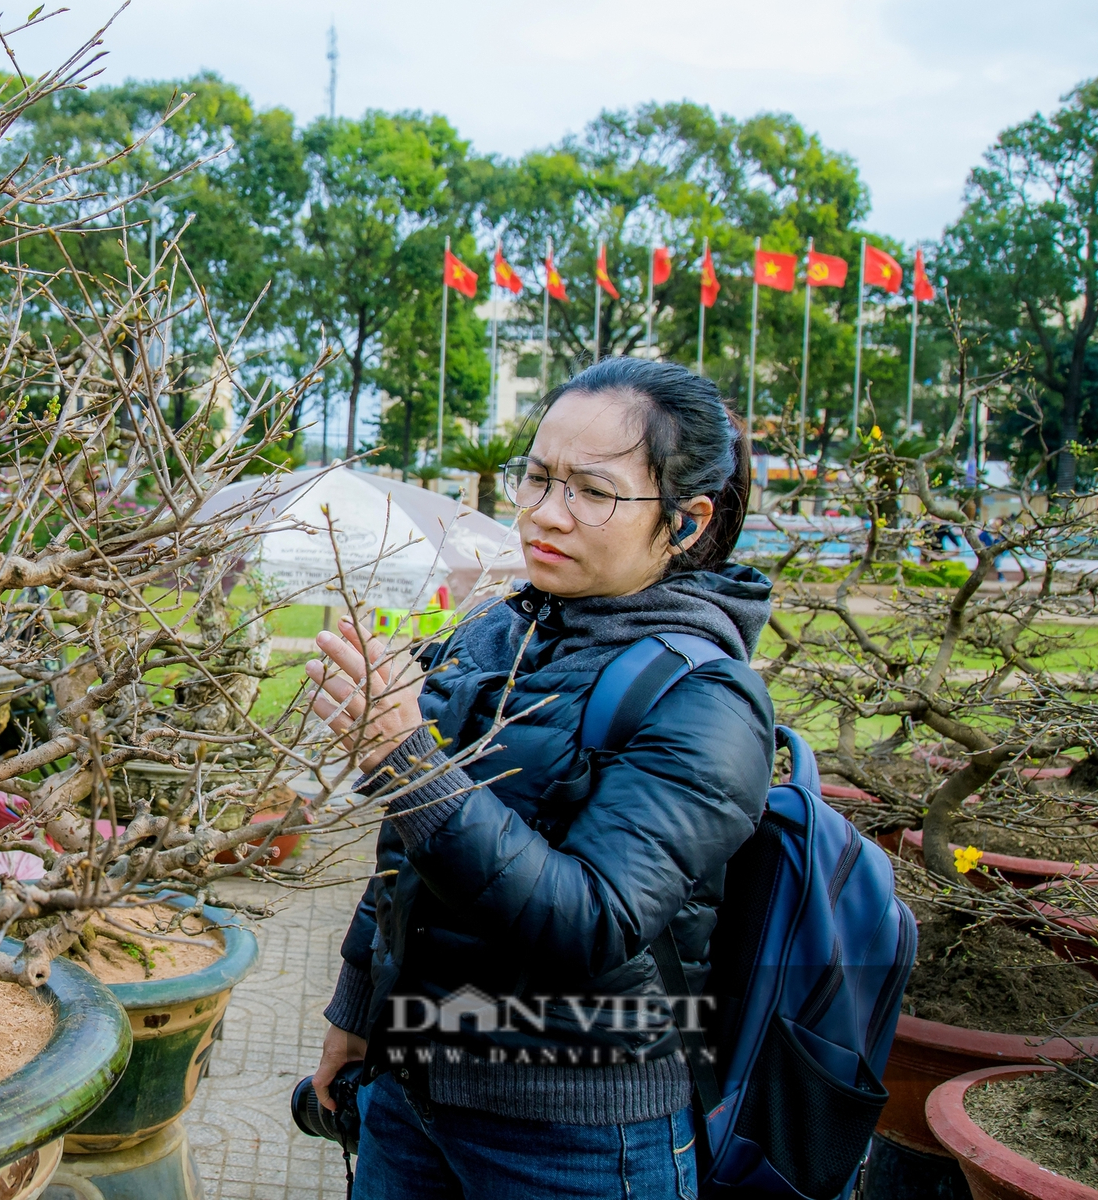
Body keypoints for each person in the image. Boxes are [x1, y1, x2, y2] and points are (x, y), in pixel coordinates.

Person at [306, 357, 774, 1199]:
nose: (545, 516)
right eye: (537, 478)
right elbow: (403, 861)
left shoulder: (704, 696)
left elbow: (591, 922)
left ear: (685, 520)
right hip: (411, 1095)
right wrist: (355, 1011)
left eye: (593, 492)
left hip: (580, 1138)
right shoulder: (495, 630)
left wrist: (407, 760)